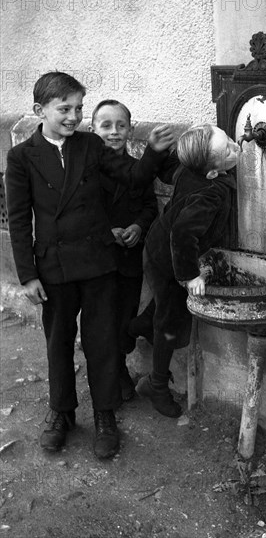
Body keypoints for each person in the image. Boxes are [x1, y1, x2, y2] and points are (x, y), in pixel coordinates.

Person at [5, 72, 173, 459]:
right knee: (58, 342)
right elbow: (18, 219)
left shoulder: (91, 146)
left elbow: (132, 177)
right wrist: (27, 275)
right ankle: (61, 413)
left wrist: (152, 152)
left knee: (101, 342)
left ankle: (104, 415)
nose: (74, 116)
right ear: (39, 111)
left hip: (98, 262)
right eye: (64, 109)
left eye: (79, 108)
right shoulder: (21, 158)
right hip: (54, 266)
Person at [135, 124, 239, 418]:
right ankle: (155, 385)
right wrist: (190, 276)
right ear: (211, 172)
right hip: (169, 260)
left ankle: (139, 325)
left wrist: (157, 151)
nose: (236, 146)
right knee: (170, 325)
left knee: (163, 310)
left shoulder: (187, 167)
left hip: (157, 247)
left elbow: (168, 168)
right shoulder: (208, 194)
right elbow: (183, 235)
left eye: (230, 140)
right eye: (228, 149)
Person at [89, 99, 158, 401]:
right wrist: (108, 231)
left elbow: (149, 206)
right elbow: (82, 211)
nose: (114, 132)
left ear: (130, 130)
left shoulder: (137, 170)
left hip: (128, 259)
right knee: (102, 320)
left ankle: (119, 367)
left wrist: (138, 228)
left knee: (125, 316)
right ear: (93, 130)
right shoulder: (87, 171)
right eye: (106, 125)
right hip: (97, 260)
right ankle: (113, 376)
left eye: (121, 125)